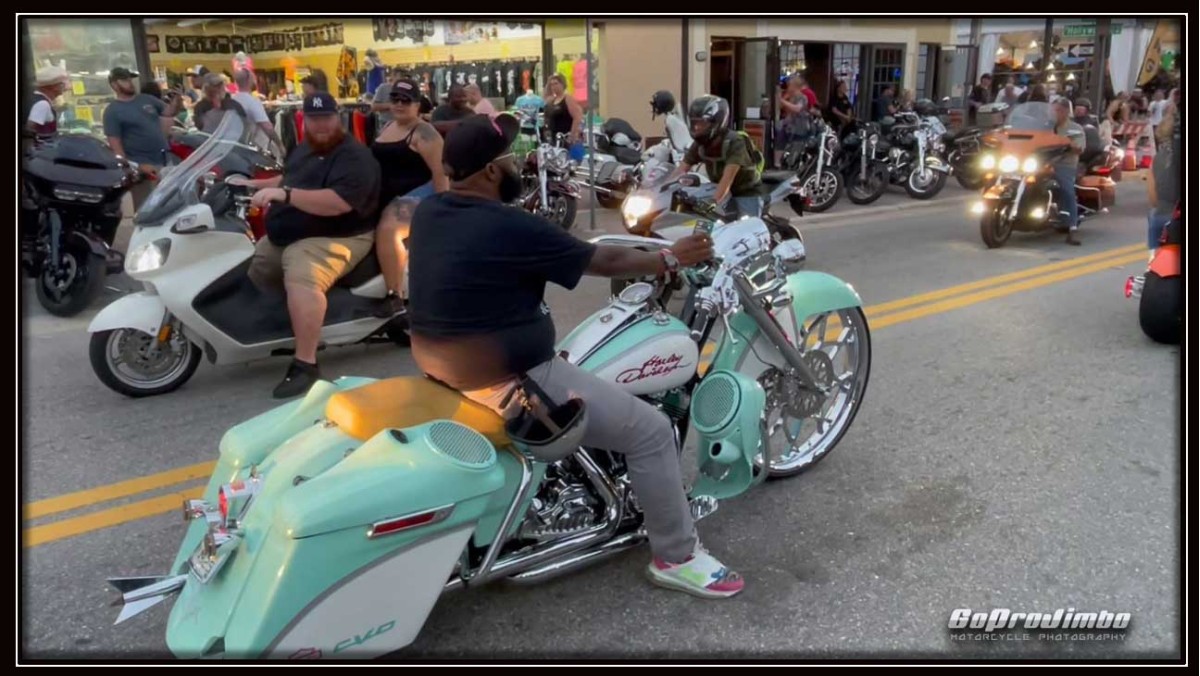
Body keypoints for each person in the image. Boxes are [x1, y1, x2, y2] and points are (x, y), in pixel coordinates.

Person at [406, 112, 744, 599]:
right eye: (512, 158)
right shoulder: (509, 224)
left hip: (441, 368)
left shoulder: (432, 212)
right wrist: (672, 256)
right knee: (651, 432)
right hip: (508, 379)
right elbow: (602, 260)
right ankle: (678, 555)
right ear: (487, 172)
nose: (521, 163)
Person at [233, 92, 382, 398]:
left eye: (326, 117)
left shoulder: (354, 157)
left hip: (340, 234)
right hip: (295, 230)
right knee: (256, 260)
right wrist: (248, 185)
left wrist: (285, 196)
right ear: (304, 120)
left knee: (301, 272)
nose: (321, 125)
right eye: (314, 119)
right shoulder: (305, 149)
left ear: (337, 117)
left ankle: (306, 363)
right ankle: (281, 324)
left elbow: (337, 204)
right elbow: (289, 179)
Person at [370, 77, 449, 318]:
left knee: (388, 229)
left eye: (406, 100)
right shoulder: (387, 127)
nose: (400, 104)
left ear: (417, 104)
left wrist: (443, 210)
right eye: (395, 99)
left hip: (417, 194)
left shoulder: (425, 132)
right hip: (385, 194)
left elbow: (441, 173)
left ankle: (395, 297)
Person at [102, 67, 182, 212]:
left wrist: (177, 99)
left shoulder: (146, 99)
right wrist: (135, 166)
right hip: (142, 168)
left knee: (171, 206)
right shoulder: (112, 111)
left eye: (130, 79)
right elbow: (116, 146)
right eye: (125, 80)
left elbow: (169, 112)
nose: (130, 83)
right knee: (147, 210)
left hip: (164, 160)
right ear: (114, 85)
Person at [670, 94, 762, 219]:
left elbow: (727, 179)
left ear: (717, 122)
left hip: (745, 192)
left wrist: (712, 203)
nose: (697, 127)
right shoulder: (700, 144)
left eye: (702, 124)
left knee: (747, 227)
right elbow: (681, 169)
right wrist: (660, 191)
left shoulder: (735, 142)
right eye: (694, 123)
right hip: (717, 188)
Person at [1145, 90, 1178, 258]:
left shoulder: (1158, 158)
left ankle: (1152, 261)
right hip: (1177, 219)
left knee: (1153, 216)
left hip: (1161, 216)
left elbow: (1152, 197)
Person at [1050, 97, 1085, 246]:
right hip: (1042, 164)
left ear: (1065, 112)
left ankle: (1073, 228)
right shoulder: (1045, 127)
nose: (1053, 113)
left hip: (1064, 164)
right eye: (1052, 110)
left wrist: (1070, 144)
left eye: (1056, 110)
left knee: (1067, 189)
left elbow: (1080, 148)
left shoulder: (1074, 128)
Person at [27, 66, 69, 148]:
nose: (65, 88)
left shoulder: (34, 98)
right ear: (54, 86)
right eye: (62, 84)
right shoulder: (43, 104)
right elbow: (29, 128)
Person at [543, 74, 582, 151]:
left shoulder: (567, 98)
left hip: (565, 136)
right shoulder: (552, 100)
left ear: (562, 84)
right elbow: (545, 95)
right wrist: (548, 82)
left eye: (556, 83)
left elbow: (577, 117)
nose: (554, 87)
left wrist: (572, 135)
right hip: (554, 137)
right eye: (552, 85)